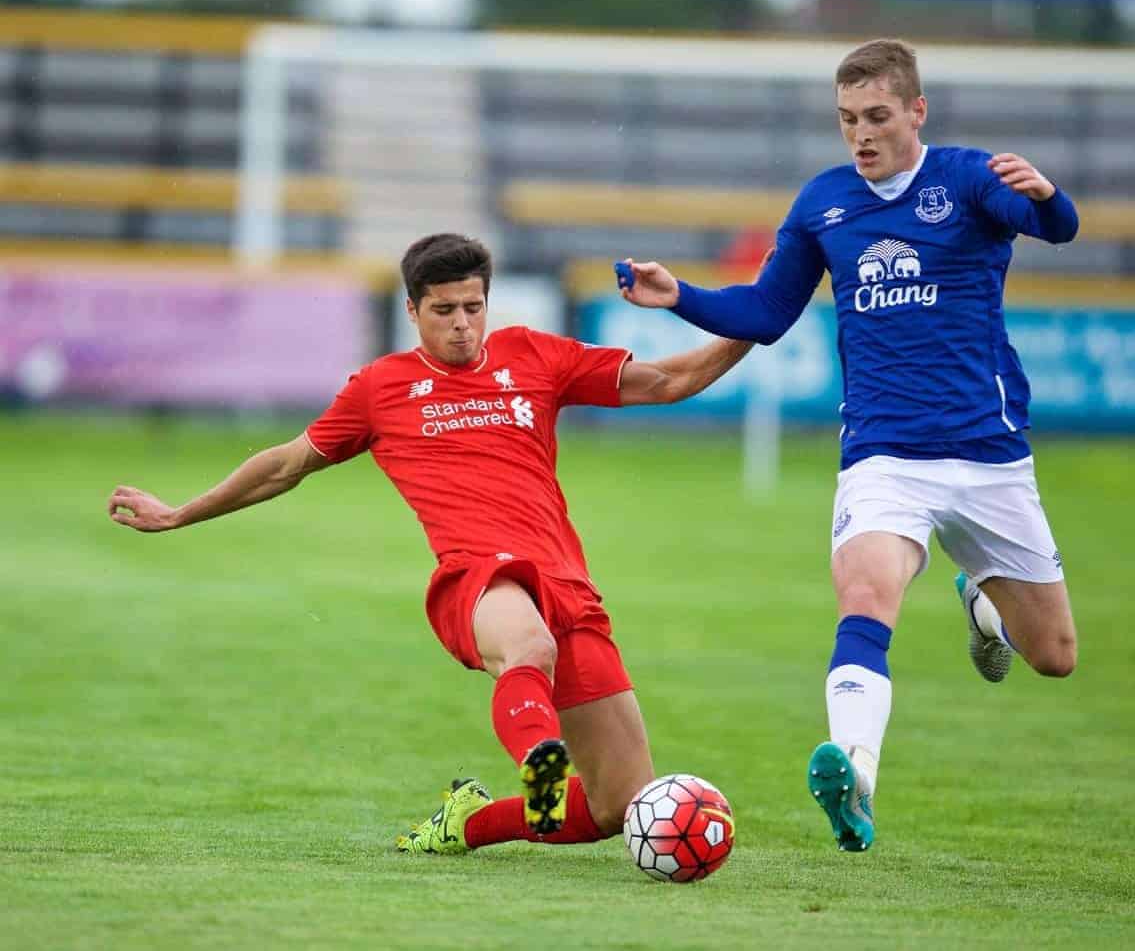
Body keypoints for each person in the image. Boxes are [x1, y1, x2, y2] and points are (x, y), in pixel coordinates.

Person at [108, 233, 754, 855]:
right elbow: (286, 464)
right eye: (443, 310)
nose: (461, 324)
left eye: (473, 307)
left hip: (567, 585)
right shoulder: (379, 389)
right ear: (412, 310)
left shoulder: (534, 356)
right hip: (476, 580)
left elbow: (670, 381)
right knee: (529, 646)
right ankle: (538, 758)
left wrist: (758, 319)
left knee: (621, 804)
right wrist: (182, 514)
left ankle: (468, 824)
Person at [617, 39, 1080, 853]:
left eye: (875, 117)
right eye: (845, 121)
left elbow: (1055, 227)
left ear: (915, 111)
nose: (860, 135)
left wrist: (1048, 198)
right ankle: (857, 775)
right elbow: (765, 314)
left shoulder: (969, 178)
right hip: (883, 454)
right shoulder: (825, 203)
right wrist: (678, 295)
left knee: (1054, 656)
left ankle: (980, 600)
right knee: (866, 596)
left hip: (987, 455)